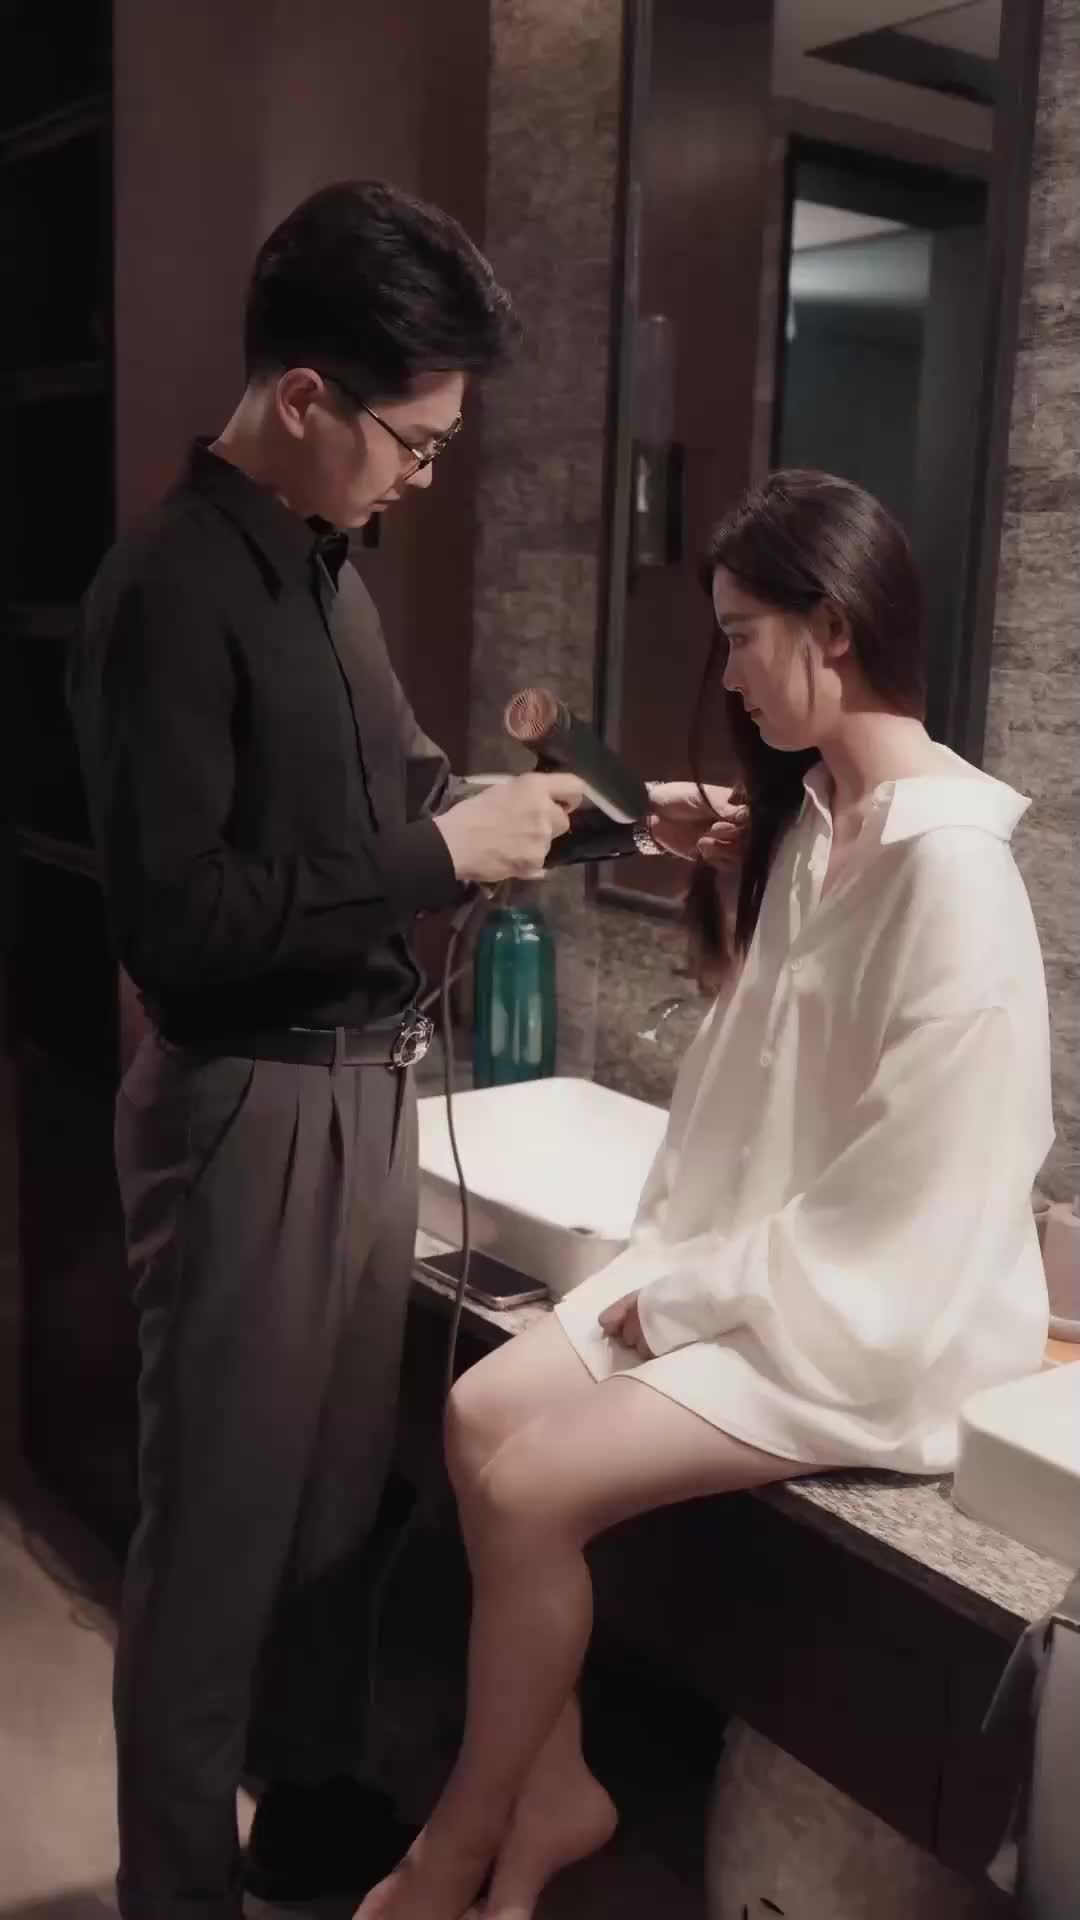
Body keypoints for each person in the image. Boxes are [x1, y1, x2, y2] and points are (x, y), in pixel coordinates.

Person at [355, 469, 1055, 1920]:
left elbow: (920, 1182)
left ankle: (457, 1851)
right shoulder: (828, 821)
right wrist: (730, 884)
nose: (726, 674)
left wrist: (693, 1290)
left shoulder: (952, 872)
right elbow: (763, 1073)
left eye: (741, 636)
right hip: (754, 1259)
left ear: (833, 625)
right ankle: (557, 1788)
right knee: (475, 1414)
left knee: (528, 1489)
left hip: (869, 1323)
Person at [66, 179, 588, 1920]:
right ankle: (173, 1893)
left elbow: (412, 796)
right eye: (414, 445)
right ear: (306, 397)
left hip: (367, 1095)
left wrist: (594, 816)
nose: (421, 479)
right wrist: (436, 857)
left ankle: (303, 1816)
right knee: (216, 1545)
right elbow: (179, 924)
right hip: (247, 1106)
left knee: (333, 1518)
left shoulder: (329, 576)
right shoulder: (165, 592)